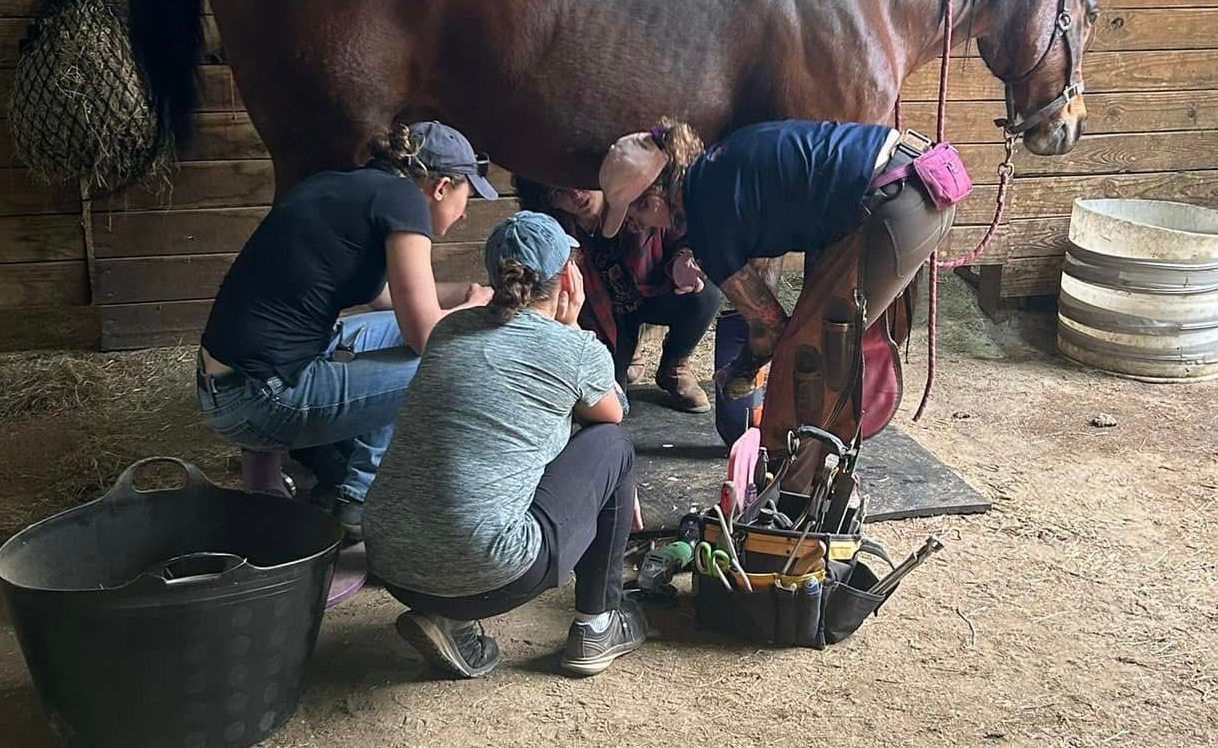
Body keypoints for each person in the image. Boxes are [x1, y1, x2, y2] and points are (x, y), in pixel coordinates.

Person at [362, 211, 647, 679]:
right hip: (494, 572)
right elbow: (611, 413)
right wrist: (574, 328)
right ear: (568, 278)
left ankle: (451, 621)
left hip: (394, 563)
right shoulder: (576, 350)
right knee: (613, 446)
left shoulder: (448, 330)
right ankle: (598, 624)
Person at [195, 121, 497, 536]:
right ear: (441, 186)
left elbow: (385, 298)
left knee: (388, 331)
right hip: (261, 401)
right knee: (449, 362)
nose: (465, 214)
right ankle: (361, 500)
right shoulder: (407, 201)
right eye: (468, 197)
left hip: (225, 384)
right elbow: (426, 336)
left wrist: (465, 292)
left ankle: (301, 469)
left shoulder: (347, 185)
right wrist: (473, 308)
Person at [596, 118, 958, 401]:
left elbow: (771, 330)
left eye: (636, 218)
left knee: (815, 357)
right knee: (818, 335)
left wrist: (739, 372)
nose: (639, 226)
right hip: (920, 164)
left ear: (654, 203)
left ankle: (804, 481)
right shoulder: (721, 156)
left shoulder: (709, 228)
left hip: (898, 202)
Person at [513, 178, 721, 413]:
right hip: (606, 318)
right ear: (550, 202)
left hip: (656, 292)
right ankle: (627, 356)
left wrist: (683, 259)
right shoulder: (555, 233)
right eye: (560, 191)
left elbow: (683, 234)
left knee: (706, 295)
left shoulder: (637, 199)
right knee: (613, 401)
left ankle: (675, 366)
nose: (576, 194)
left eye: (580, 180)